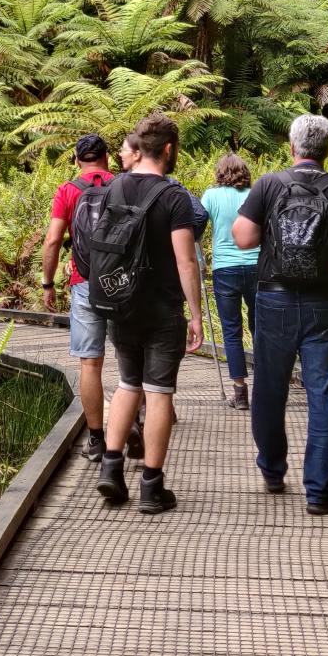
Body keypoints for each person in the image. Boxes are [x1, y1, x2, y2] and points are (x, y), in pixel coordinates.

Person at [233, 114, 328, 515]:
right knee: (322, 394)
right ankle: (318, 491)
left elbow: (243, 238)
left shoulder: (268, 185)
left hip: (274, 300)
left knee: (269, 387)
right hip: (324, 305)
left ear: (292, 148)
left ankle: (272, 471)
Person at [94, 114, 203, 515]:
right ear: (169, 150)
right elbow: (185, 260)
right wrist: (196, 314)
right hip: (161, 309)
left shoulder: (114, 186)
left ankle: (111, 465)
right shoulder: (175, 198)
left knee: (126, 384)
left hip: (118, 304)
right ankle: (151, 487)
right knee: (158, 392)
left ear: (140, 147)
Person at [41, 133, 115, 459]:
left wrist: (47, 283)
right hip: (124, 284)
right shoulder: (123, 185)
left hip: (84, 282)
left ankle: (97, 439)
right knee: (132, 354)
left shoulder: (68, 190)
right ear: (107, 158)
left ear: (76, 159)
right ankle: (138, 418)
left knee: (90, 363)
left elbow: (53, 240)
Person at [201, 153, 261, 411]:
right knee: (261, 326)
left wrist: (198, 259)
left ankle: (239, 391)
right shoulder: (255, 195)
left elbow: (194, 228)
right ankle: (265, 385)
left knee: (231, 330)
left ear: (220, 172)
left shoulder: (211, 197)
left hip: (225, 269)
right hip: (257, 266)